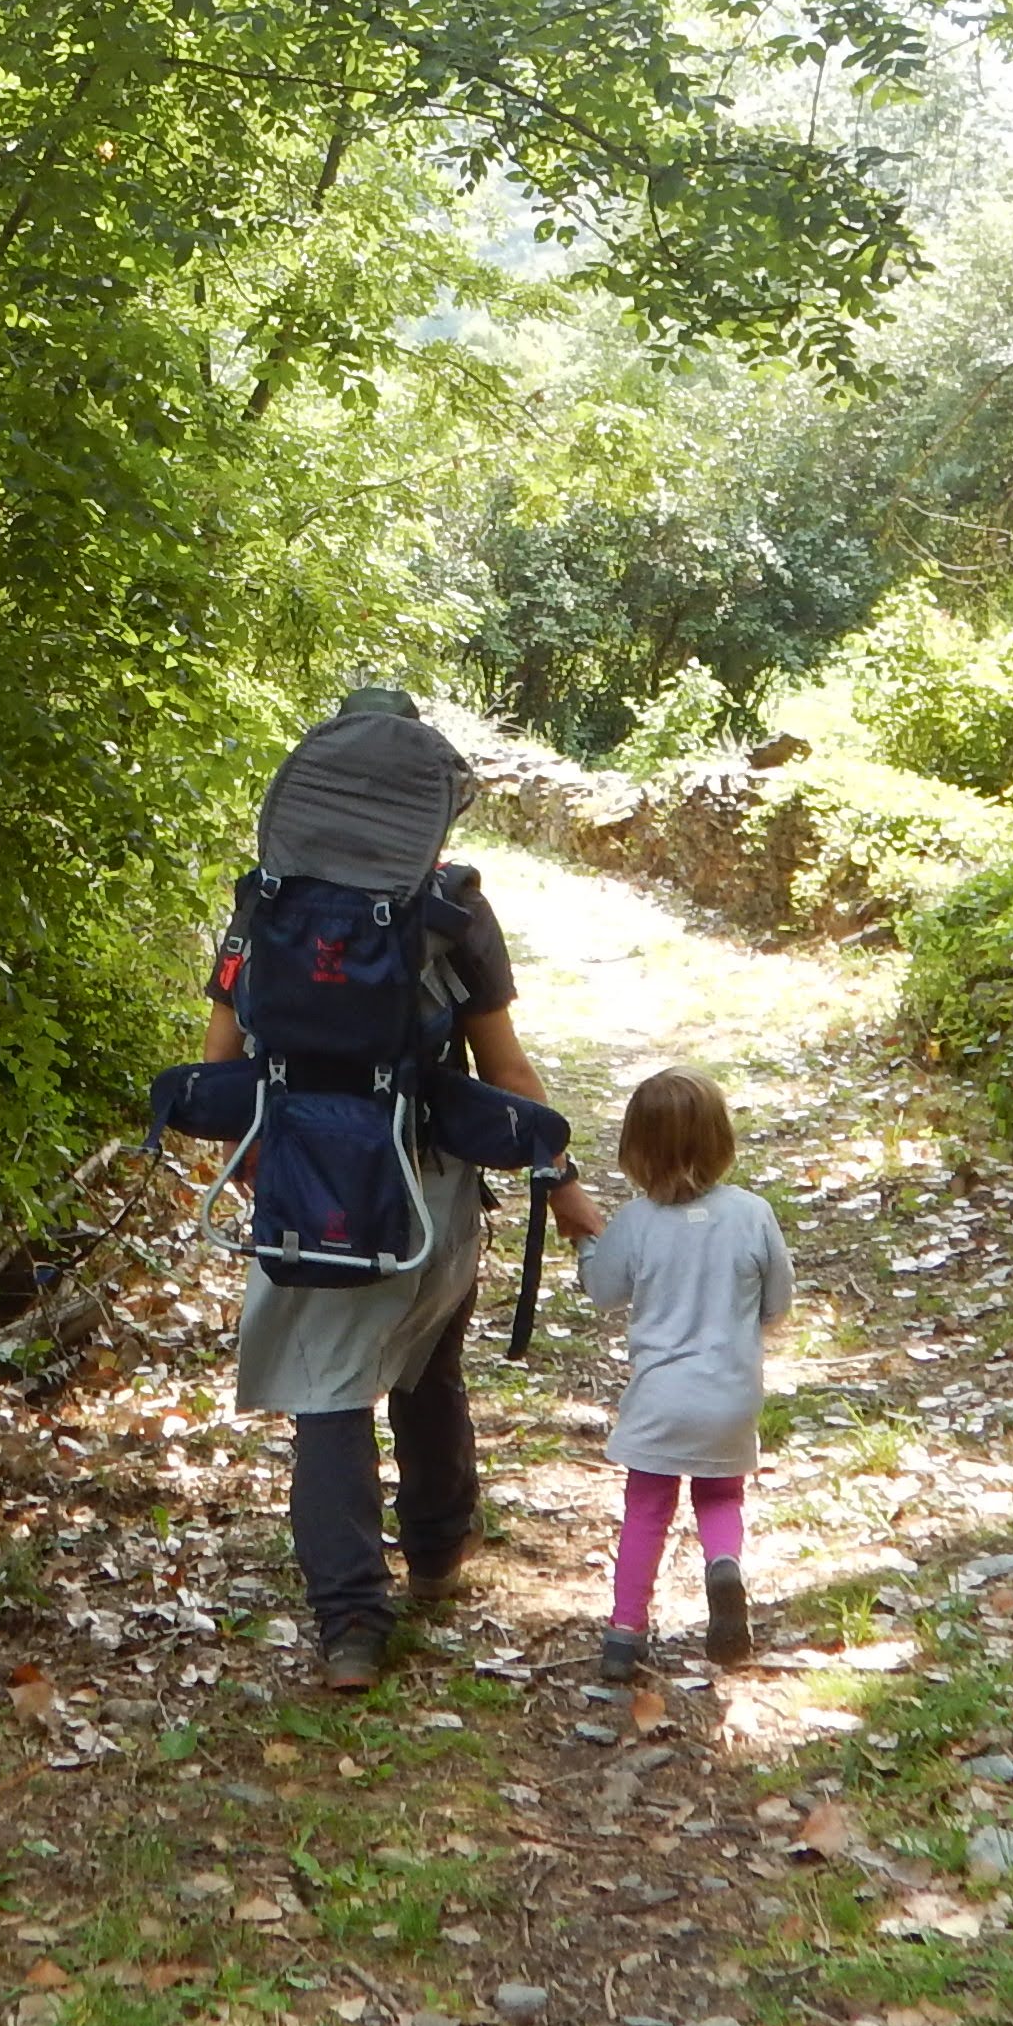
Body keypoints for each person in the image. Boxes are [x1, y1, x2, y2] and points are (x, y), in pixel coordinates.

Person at [209, 690, 596, 1694]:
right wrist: (562, 1186)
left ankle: (348, 1625)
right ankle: (433, 1556)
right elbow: (506, 1070)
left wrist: (268, 1164)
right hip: (424, 1186)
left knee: (324, 1395)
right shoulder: (454, 904)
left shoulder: (263, 903)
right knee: (426, 1362)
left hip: (302, 1180)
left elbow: (221, 1060)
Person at [572, 1065, 790, 1680]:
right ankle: (723, 1565)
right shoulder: (752, 1214)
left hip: (662, 1397)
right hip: (730, 1393)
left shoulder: (637, 1223)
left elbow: (603, 1290)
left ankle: (624, 1630)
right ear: (721, 1141)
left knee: (647, 1505)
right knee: (720, 1494)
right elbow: (779, 1299)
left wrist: (587, 1243)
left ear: (635, 1151)